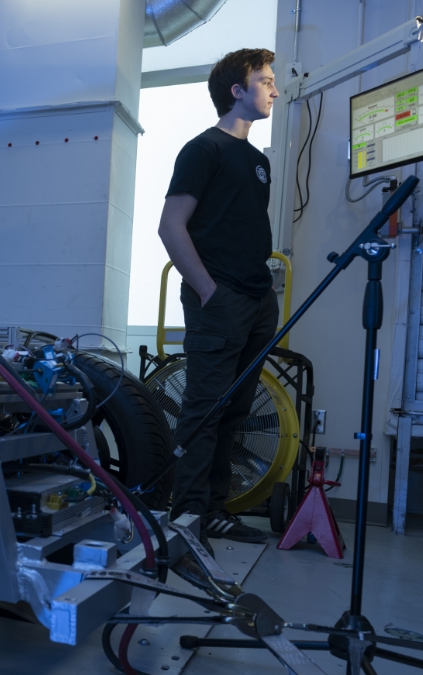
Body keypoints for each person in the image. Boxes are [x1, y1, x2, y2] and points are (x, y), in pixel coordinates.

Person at [157, 48, 280, 548]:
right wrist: (208, 290)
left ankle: (214, 511)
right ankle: (186, 519)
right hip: (221, 300)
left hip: (256, 300)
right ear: (237, 90)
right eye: (266, 80)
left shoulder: (257, 161)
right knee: (204, 411)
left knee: (235, 412)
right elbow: (170, 226)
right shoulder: (202, 149)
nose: (275, 89)